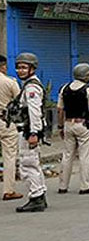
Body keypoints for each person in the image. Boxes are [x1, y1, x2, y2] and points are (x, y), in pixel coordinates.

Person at [57, 63, 89, 195]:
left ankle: (63, 186)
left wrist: (60, 126)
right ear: (87, 76)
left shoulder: (64, 89)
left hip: (68, 124)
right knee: (84, 156)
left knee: (67, 156)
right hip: (83, 125)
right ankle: (85, 186)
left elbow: (60, 110)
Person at [10, 53, 47, 213]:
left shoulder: (31, 87)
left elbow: (34, 111)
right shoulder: (27, 85)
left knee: (28, 164)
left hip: (28, 131)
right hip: (28, 130)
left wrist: (33, 133)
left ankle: (36, 197)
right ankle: (40, 195)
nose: (20, 70)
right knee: (33, 163)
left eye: (24, 67)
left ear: (32, 68)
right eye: (18, 67)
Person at [0, 55, 22, 201]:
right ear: (3, 66)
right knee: (9, 155)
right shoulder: (9, 82)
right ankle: (8, 190)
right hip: (5, 121)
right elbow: (20, 102)